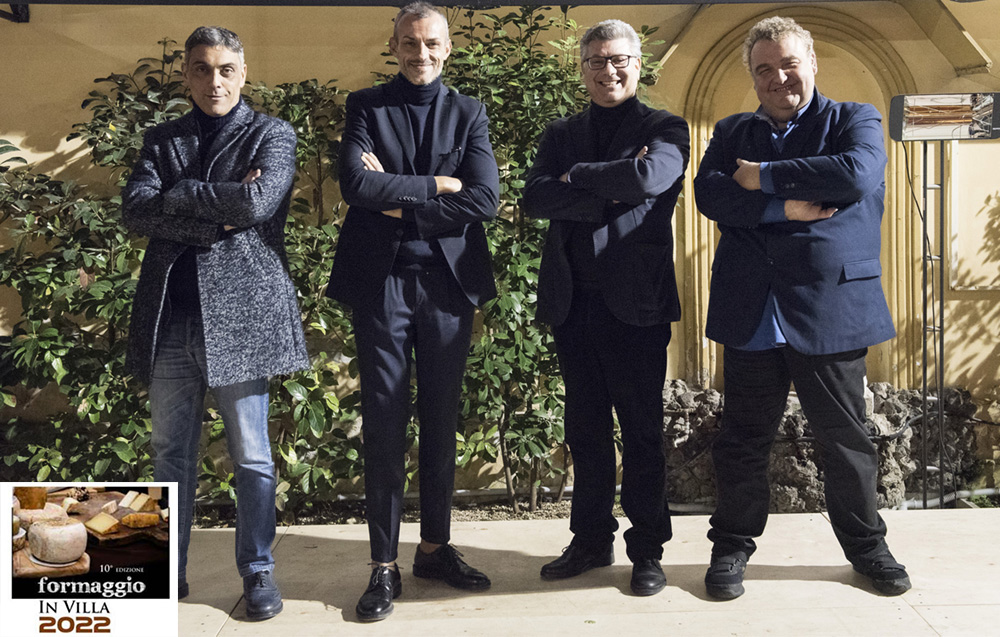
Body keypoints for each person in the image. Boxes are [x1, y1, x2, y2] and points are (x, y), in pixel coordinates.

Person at [693, 16, 910, 600]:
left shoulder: (855, 119)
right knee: (742, 439)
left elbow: (854, 174)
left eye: (789, 63)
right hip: (752, 310)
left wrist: (761, 178)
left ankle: (868, 548)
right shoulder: (732, 130)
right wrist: (782, 208)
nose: (778, 77)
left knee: (845, 440)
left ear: (812, 62)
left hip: (830, 305)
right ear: (752, 76)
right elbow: (710, 194)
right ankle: (731, 546)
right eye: (763, 68)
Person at [122, 25, 308, 620]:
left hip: (241, 317)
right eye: (201, 69)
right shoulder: (163, 138)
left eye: (226, 69)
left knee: (251, 454)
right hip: (170, 319)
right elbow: (135, 210)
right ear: (186, 75)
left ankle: (257, 572)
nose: (214, 81)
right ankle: (166, 572)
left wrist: (178, 196)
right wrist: (216, 206)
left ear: (243, 73)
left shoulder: (271, 134)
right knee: (168, 454)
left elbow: (257, 204)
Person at [325, 1, 499, 622]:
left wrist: (397, 197)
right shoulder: (366, 107)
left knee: (441, 417)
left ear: (447, 48)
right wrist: (438, 185)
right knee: (384, 419)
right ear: (393, 45)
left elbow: (485, 199)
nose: (419, 53)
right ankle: (383, 565)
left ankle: (434, 549)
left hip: (449, 285)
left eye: (430, 43)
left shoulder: (469, 112)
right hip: (382, 283)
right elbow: (355, 186)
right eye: (408, 42)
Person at [522, 19, 689, 597]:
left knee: (641, 432)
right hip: (574, 303)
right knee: (585, 429)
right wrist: (608, 191)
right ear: (583, 68)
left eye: (619, 60)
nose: (608, 70)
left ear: (638, 65)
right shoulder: (562, 132)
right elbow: (535, 196)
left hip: (636, 304)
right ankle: (591, 539)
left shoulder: (664, 127)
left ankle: (647, 550)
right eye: (596, 60)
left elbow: (651, 177)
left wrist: (577, 179)